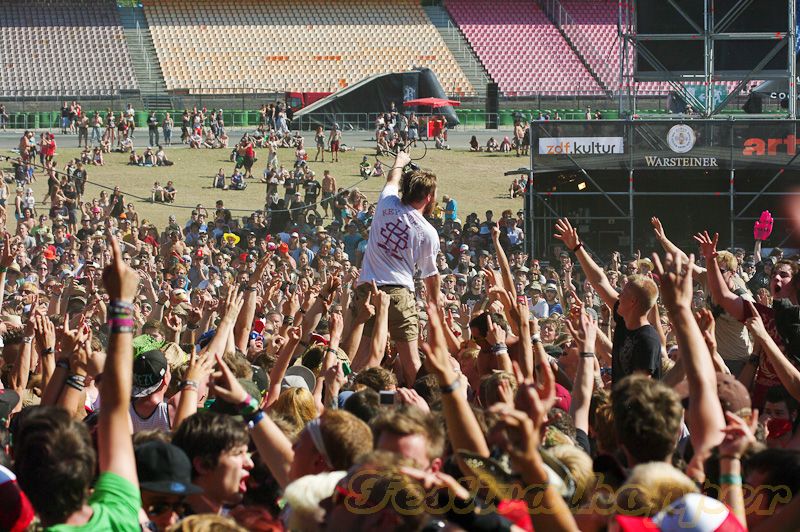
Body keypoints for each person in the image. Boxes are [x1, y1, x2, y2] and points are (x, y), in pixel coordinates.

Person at [354, 151, 440, 385]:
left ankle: (345, 396)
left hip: (368, 288)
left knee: (362, 357)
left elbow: (392, 178)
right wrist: (434, 305)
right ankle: (424, 407)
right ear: (429, 198)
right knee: (411, 361)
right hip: (399, 292)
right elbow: (431, 275)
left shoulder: (386, 202)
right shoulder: (427, 232)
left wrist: (400, 161)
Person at [555, 217, 662, 382]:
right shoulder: (624, 317)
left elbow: (641, 392)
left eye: (623, 293)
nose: (618, 295)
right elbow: (599, 282)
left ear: (633, 302)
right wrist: (577, 248)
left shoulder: (648, 340)